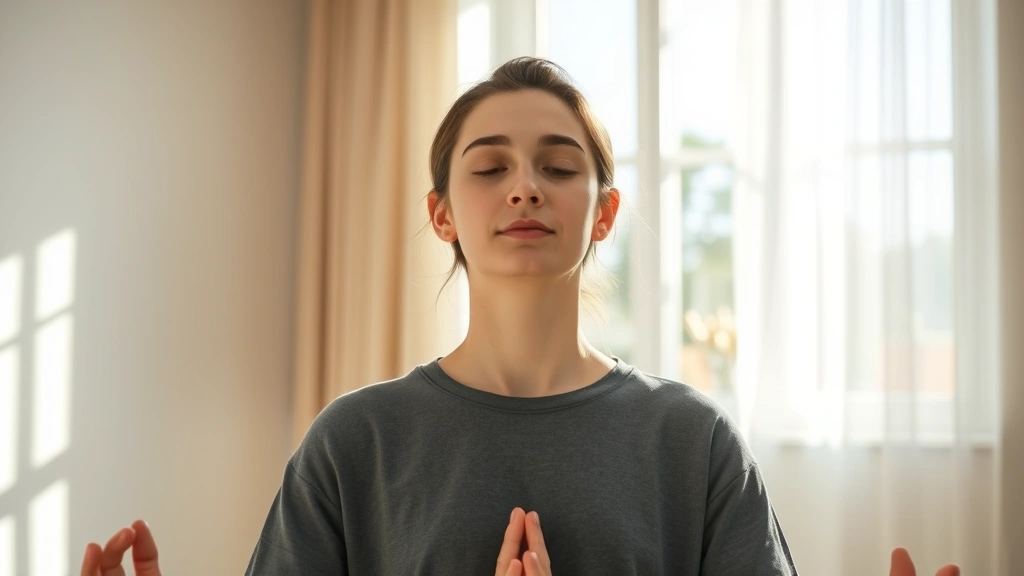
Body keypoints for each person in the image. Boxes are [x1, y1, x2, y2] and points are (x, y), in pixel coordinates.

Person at [79, 57, 960, 576]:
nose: (526, 187)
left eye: (559, 166)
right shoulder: (353, 445)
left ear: (603, 213)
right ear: (442, 213)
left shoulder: (694, 444)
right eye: (490, 166)